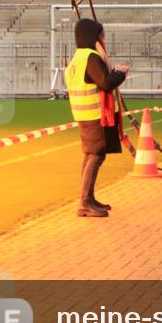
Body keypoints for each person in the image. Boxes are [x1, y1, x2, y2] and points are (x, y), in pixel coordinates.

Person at [64, 18, 128, 218]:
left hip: (83, 114)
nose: (103, 40)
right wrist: (120, 73)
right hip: (94, 115)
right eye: (102, 36)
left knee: (90, 155)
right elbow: (106, 83)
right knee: (96, 155)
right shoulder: (91, 57)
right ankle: (84, 202)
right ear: (94, 37)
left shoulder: (77, 58)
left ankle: (88, 198)